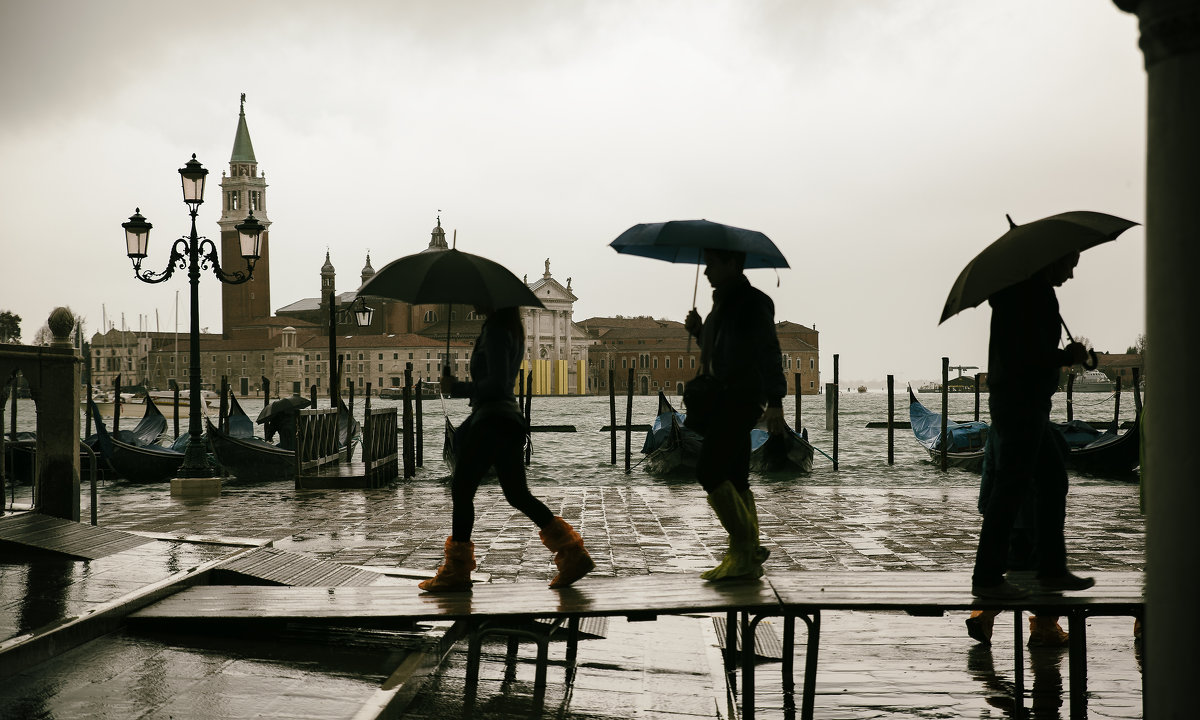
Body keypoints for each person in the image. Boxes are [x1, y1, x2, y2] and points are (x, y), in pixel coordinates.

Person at [419, 304, 594, 593]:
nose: (471, 300)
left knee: (463, 489)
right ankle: (573, 554)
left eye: (478, 295)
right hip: (506, 419)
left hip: (493, 420)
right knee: (517, 495)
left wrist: (458, 388)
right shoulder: (506, 329)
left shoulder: (497, 331)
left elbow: (498, 384)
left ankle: (457, 571)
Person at [971, 251, 1094, 599]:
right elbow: (1027, 355)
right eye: (1068, 266)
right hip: (1020, 404)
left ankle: (1052, 570)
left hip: (1025, 403)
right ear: (1051, 261)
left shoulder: (1027, 293)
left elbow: (1029, 350)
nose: (1070, 275)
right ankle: (988, 576)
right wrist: (1066, 357)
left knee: (1051, 481)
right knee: (1011, 487)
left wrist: (1062, 356)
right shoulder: (1028, 296)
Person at [684, 247, 788, 581]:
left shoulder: (753, 302)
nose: (706, 272)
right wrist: (699, 331)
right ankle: (745, 555)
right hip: (723, 397)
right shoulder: (723, 303)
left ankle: (745, 549)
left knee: (709, 470)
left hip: (740, 397)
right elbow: (721, 350)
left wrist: (775, 400)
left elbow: (769, 350)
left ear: (731, 263)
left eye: (711, 263)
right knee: (736, 475)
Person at [966, 438, 1069, 647]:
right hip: (1039, 519)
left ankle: (982, 614)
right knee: (1045, 577)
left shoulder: (998, 431)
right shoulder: (1047, 434)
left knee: (1016, 573)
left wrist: (985, 505)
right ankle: (1044, 627)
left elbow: (989, 470)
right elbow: (1057, 475)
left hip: (1009, 518)